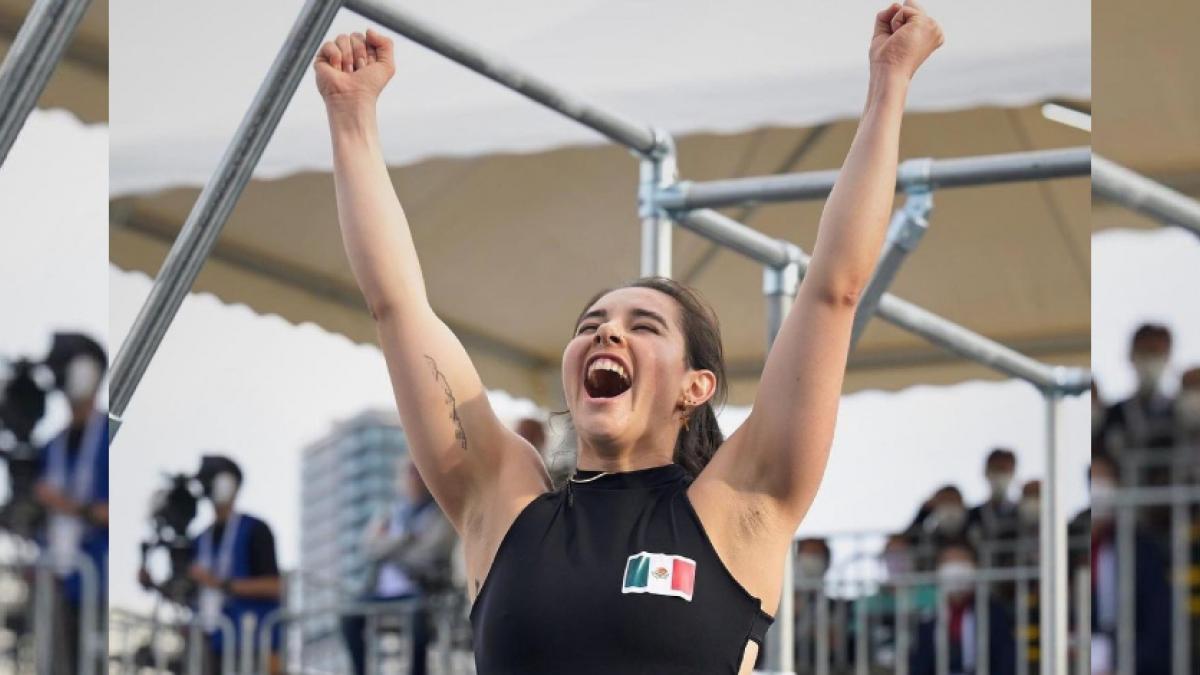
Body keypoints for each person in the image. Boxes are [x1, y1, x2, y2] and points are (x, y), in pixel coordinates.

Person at [313, 4, 944, 671]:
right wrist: (352, 119)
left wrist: (888, 84)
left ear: (694, 386)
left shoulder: (736, 507)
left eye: (642, 326)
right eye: (590, 326)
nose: (606, 330)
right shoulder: (502, 504)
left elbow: (833, 290)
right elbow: (396, 304)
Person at [35, 334, 108, 675]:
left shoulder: (106, 437)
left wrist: (64, 504)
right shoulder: (52, 446)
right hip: (54, 585)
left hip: (95, 586)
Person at [342, 456, 456, 675]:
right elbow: (369, 547)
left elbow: (430, 554)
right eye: (411, 472)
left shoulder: (441, 513)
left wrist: (388, 549)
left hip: (422, 592)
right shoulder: (390, 513)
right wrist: (407, 539)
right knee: (349, 615)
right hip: (382, 593)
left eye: (420, 472)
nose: (415, 478)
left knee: (418, 619)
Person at [189, 456, 283, 675]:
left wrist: (221, 584)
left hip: (252, 641)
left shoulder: (255, 529)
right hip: (210, 642)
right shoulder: (200, 539)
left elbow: (274, 586)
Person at [1087, 452, 1171, 675]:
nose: (1097, 489)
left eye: (1102, 479)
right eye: (1092, 480)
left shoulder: (1141, 548)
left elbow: (1158, 623)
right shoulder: (1075, 547)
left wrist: (1122, 664)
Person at [909, 540, 1016, 675]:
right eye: (948, 562)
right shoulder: (927, 614)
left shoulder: (994, 612)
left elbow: (1005, 660)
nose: (955, 571)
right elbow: (919, 663)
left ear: (975, 568)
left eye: (962, 561)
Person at [1099, 324, 1177, 471]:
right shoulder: (1113, 414)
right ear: (1132, 356)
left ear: (1167, 357)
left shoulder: (1179, 413)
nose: (1149, 362)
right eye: (1144, 353)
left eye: (1155, 354)